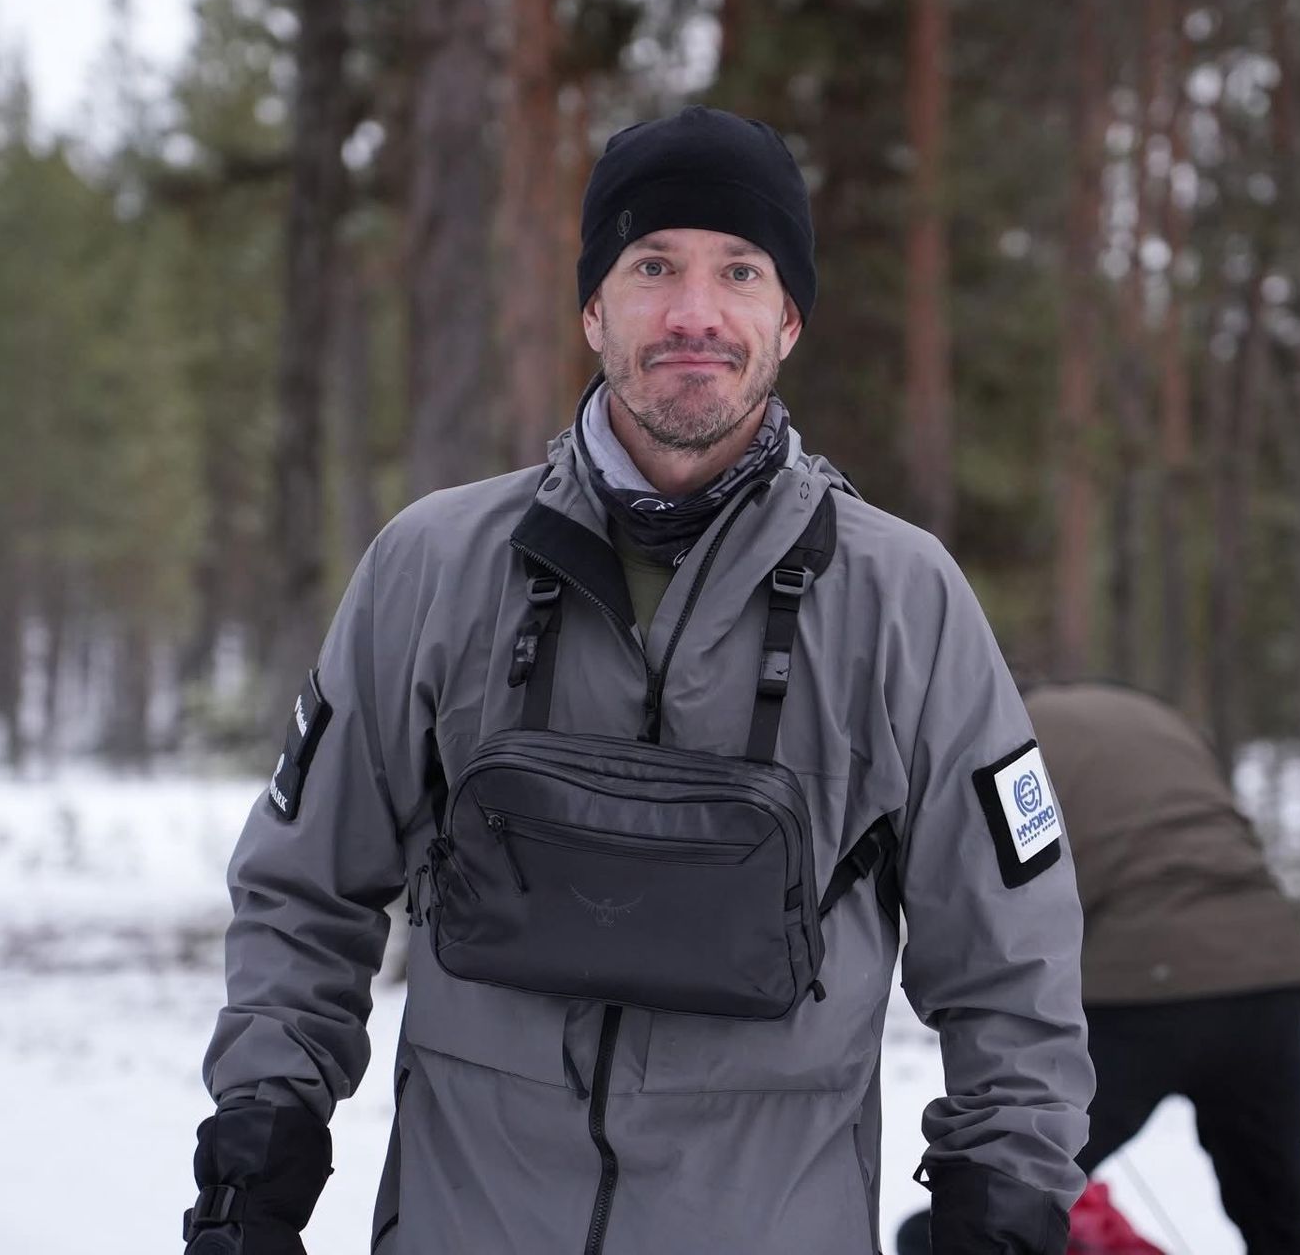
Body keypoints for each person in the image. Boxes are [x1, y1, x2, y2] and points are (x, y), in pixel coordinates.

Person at [182, 105, 1093, 1255]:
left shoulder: (905, 599)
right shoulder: (434, 564)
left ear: (790, 317)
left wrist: (1004, 1205)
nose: (694, 313)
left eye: (740, 271)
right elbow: (305, 885)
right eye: (653, 264)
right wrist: (257, 1153)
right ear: (593, 308)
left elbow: (1013, 954)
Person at [900, 683, 1300, 1255]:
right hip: (1266, 971)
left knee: (999, 1203)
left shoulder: (1005, 731)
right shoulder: (1156, 715)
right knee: (1281, 1216)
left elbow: (1008, 886)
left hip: (1139, 986)